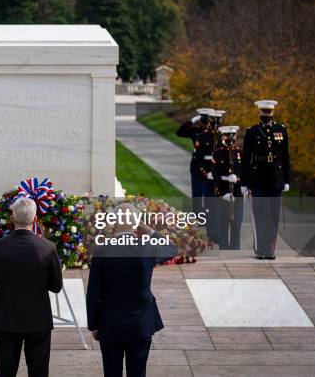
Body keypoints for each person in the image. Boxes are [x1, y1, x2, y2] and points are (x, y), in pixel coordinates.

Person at [86, 203, 177, 377]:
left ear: (114, 223)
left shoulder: (102, 251)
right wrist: (150, 232)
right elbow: (171, 249)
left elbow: (94, 293)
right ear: (136, 224)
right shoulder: (147, 248)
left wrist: (93, 325)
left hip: (110, 324)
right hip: (141, 324)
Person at [0, 197, 63, 377]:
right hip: (38, 320)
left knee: (5, 372)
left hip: (6, 319)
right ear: (35, 219)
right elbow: (57, 286)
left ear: (12, 218)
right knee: (39, 371)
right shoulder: (47, 247)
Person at [241, 100, 291, 260]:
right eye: (264, 112)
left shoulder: (281, 130)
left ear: (273, 113)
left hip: (276, 180)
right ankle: (260, 249)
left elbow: (285, 157)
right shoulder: (252, 132)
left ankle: (270, 250)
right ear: (259, 113)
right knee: (260, 215)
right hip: (257, 179)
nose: (266, 115)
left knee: (273, 216)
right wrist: (243, 182)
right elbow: (246, 159)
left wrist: (287, 179)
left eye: (268, 112)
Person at [208, 126, 244, 250]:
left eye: (232, 135)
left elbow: (244, 173)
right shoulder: (217, 153)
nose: (230, 138)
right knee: (223, 224)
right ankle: (224, 247)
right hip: (222, 194)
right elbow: (215, 174)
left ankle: (235, 248)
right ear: (222, 136)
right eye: (227, 135)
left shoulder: (239, 153)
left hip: (237, 194)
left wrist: (238, 179)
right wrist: (224, 191)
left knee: (237, 225)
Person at [176, 108, 213, 214]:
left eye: (206, 118)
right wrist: (192, 121)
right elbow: (180, 132)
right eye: (203, 117)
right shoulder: (195, 130)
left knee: (209, 194)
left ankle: (209, 216)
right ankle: (199, 217)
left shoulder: (214, 132)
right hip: (196, 165)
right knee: (197, 194)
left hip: (210, 166)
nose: (205, 120)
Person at [196, 109, 225, 243]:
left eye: (218, 121)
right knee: (209, 206)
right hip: (207, 176)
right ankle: (211, 233)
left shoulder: (223, 136)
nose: (216, 124)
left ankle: (219, 233)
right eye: (214, 121)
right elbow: (198, 158)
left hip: (220, 177)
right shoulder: (203, 136)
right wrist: (206, 173)